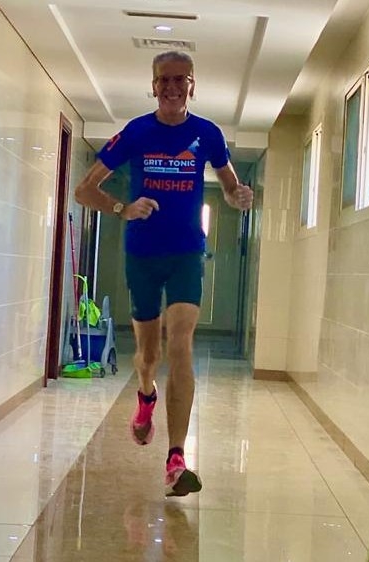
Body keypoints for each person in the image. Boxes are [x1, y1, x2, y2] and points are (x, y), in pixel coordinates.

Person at [74, 51, 254, 496]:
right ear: (153, 86)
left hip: (187, 252)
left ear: (192, 85)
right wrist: (122, 207)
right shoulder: (136, 132)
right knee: (149, 354)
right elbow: (84, 189)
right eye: (164, 80)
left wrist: (237, 196)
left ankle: (176, 458)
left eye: (180, 80)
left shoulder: (207, 134)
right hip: (142, 254)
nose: (172, 88)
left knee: (180, 344)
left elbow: (230, 185)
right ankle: (146, 393)